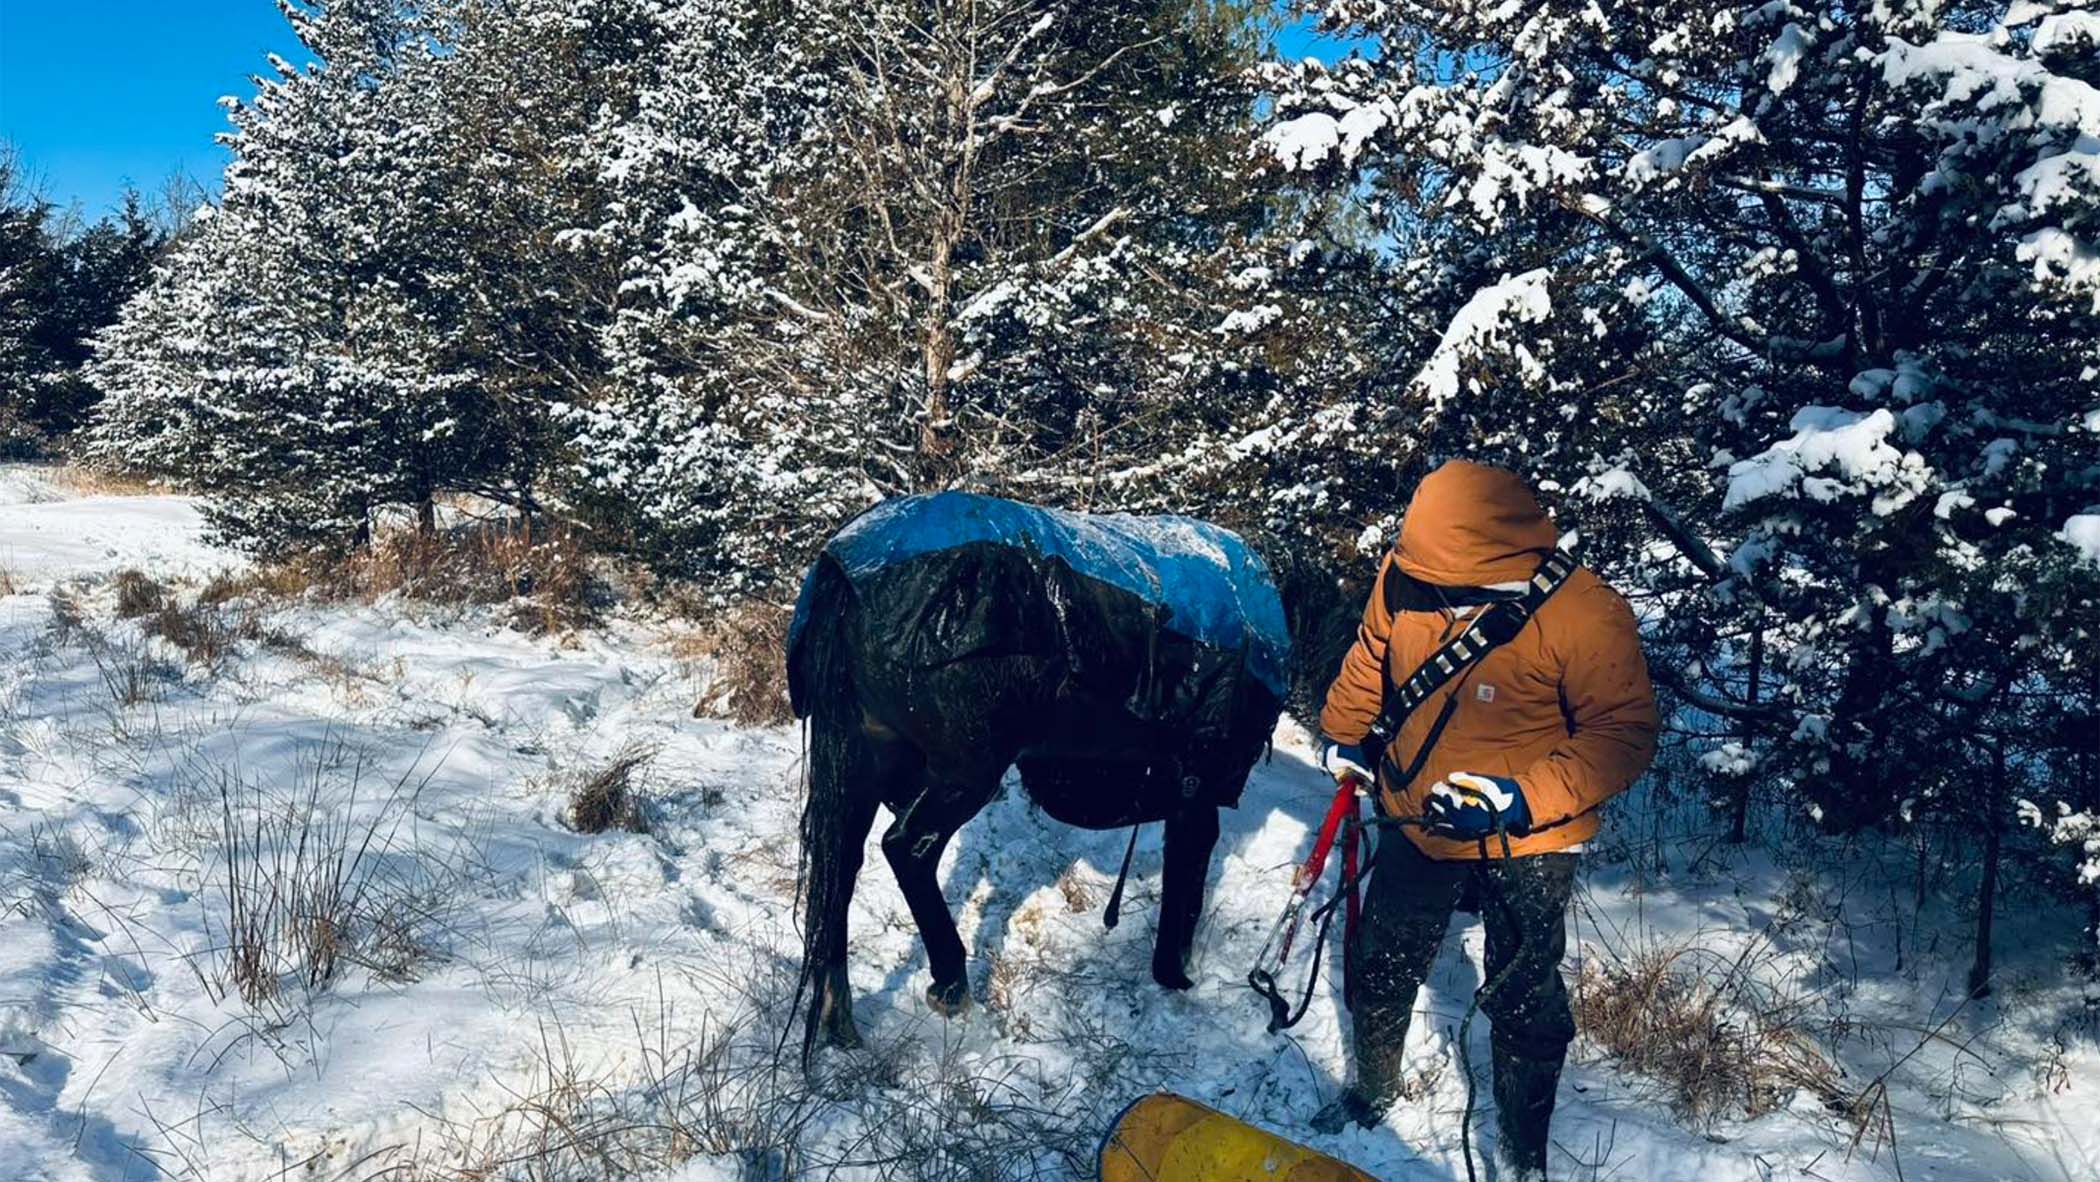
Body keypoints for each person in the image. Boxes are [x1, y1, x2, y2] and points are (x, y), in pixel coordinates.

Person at [1309, 460, 1658, 1180]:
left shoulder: (1586, 611)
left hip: (1531, 834)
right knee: (1381, 962)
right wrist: (1345, 735)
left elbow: (1622, 733)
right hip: (1415, 813)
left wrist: (1521, 798)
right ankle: (1372, 1089)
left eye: (1450, 579)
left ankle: (1524, 1154)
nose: (1431, 589)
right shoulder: (1404, 573)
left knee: (1524, 993)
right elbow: (1373, 655)